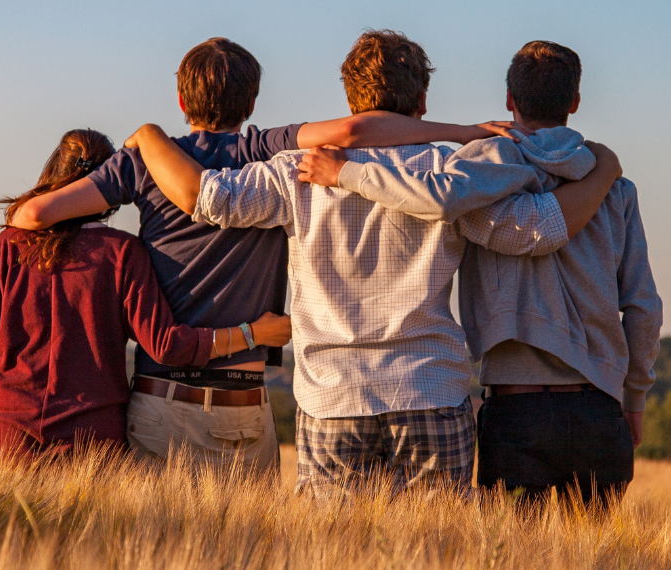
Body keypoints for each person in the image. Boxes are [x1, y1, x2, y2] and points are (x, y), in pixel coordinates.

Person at [124, 30, 623, 494]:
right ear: (422, 102)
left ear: (349, 100)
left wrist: (149, 137)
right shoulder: (450, 174)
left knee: (333, 549)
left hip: (332, 398)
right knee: (438, 550)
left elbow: (208, 198)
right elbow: (536, 231)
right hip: (430, 389)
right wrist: (603, 172)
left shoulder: (295, 172)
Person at [7, 37, 524, 473]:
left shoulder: (148, 163)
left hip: (169, 395)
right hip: (253, 399)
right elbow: (353, 131)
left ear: (181, 100)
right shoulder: (265, 150)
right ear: (252, 102)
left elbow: (33, 218)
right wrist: (464, 133)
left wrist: (143, 141)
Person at [305, 42, 662, 506]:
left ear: (510, 99)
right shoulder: (616, 189)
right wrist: (634, 397)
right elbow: (642, 307)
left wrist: (347, 173)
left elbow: (435, 197)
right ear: (574, 102)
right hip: (600, 409)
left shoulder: (479, 171)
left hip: (516, 409)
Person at [0, 129, 291, 461]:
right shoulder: (123, 252)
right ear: (109, 185)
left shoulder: (11, 245)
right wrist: (255, 333)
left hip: (5, 442)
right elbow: (166, 346)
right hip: (90, 449)